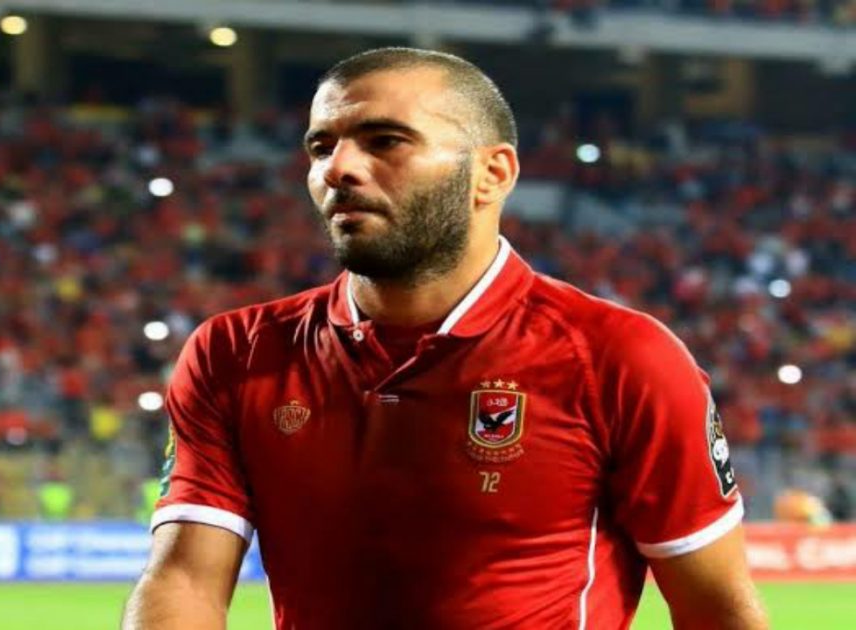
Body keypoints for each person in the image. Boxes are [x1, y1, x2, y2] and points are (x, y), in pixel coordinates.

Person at [124, 47, 766, 629]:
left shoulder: (620, 357)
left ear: (492, 173)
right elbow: (185, 579)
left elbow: (715, 607)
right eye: (321, 147)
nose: (338, 168)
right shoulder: (236, 352)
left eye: (385, 141)